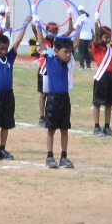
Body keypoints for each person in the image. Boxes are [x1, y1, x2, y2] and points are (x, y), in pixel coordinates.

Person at [0, 9, 30, 160]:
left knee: (6, 124)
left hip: (8, 95)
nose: (3, 51)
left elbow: (16, 42)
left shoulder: (9, 58)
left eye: (5, 49)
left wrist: (25, 25)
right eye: (1, 49)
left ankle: (3, 148)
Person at [36, 19, 76, 168]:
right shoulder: (51, 59)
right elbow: (41, 43)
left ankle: (64, 156)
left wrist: (79, 26)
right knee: (51, 129)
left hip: (65, 99)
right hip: (53, 99)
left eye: (69, 52)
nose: (68, 55)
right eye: (65, 52)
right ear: (56, 51)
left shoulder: (68, 62)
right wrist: (38, 25)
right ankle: (50, 156)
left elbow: (75, 43)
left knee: (64, 129)